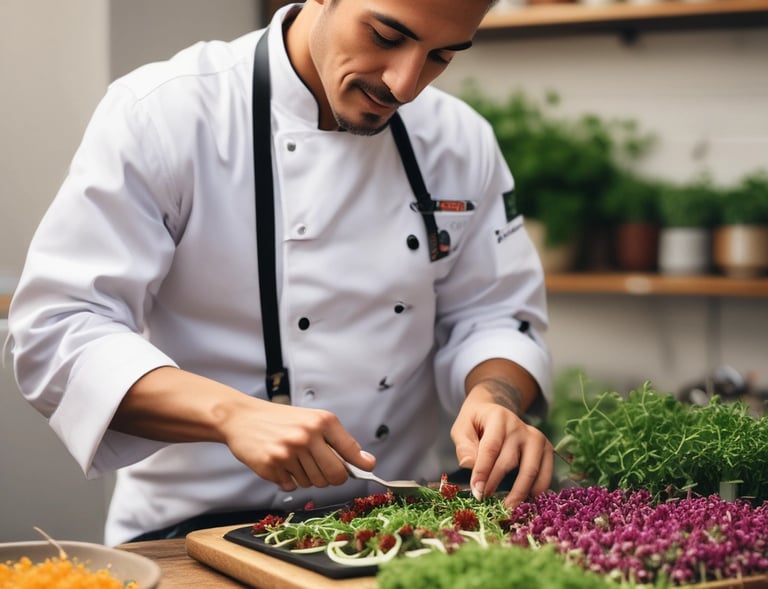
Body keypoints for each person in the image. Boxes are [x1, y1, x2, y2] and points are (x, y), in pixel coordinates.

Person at [7, 0, 554, 547]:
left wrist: (495, 397)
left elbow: (496, 314)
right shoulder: (166, 112)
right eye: (385, 36)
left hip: (394, 527)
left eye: (440, 56)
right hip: (192, 533)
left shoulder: (461, 139)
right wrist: (229, 415)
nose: (406, 84)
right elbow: (59, 329)